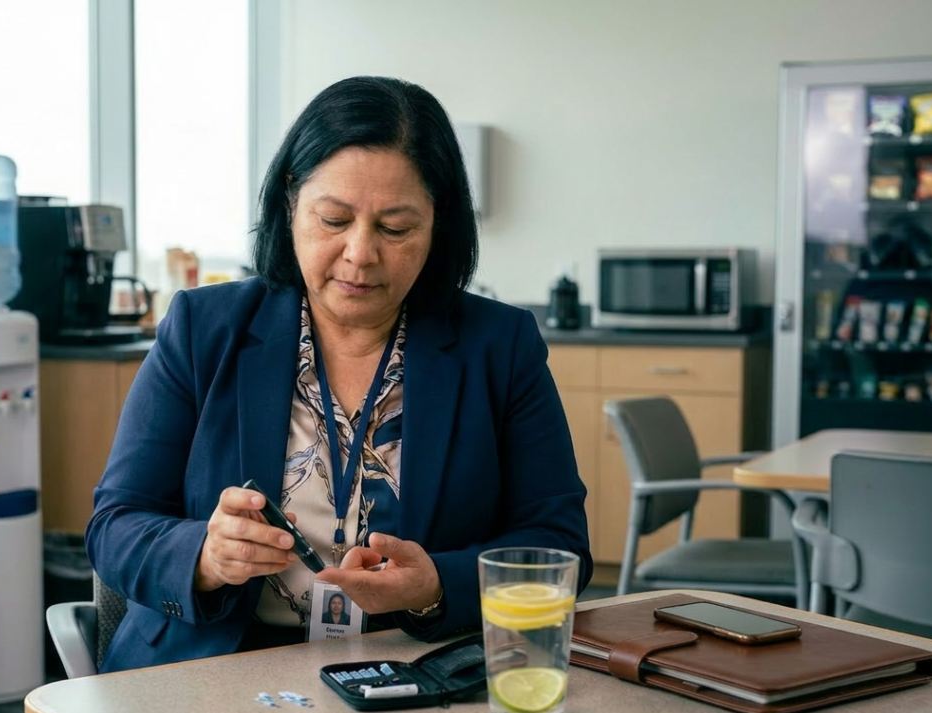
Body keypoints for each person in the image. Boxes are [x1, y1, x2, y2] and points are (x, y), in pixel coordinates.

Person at [87, 75, 591, 679]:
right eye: (333, 219)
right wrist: (206, 554)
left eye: (396, 229)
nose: (360, 253)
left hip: (416, 672)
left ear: (439, 225)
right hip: (217, 670)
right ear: (291, 202)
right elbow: (116, 524)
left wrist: (436, 586)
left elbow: (557, 543)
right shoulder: (204, 328)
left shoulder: (498, 346)